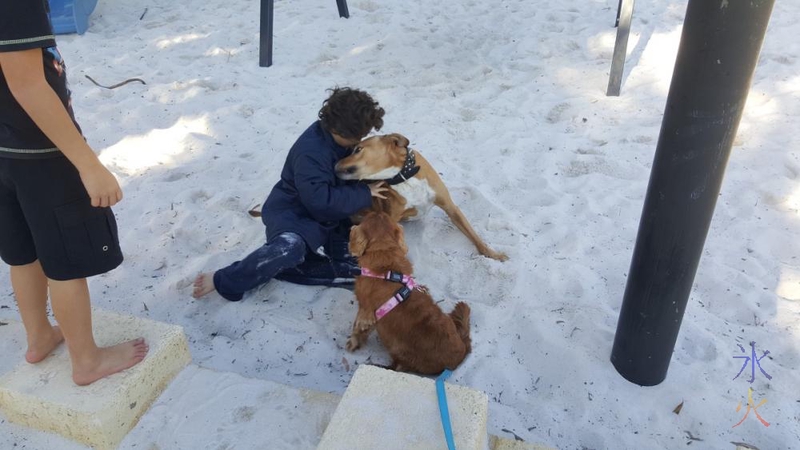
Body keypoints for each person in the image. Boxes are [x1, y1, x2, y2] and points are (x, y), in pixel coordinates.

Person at [0, 1, 148, 386]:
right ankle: (87, 360)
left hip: (4, 151)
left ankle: (40, 336)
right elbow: (27, 84)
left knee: (23, 252)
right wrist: (88, 164)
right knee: (63, 260)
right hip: (42, 154)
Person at [193, 87, 388, 301]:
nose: (358, 141)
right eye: (355, 137)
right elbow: (319, 202)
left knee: (357, 266)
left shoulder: (342, 140)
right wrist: (363, 193)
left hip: (331, 218)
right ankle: (225, 279)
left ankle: (304, 266)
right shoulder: (311, 152)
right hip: (295, 213)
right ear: (338, 129)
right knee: (289, 249)